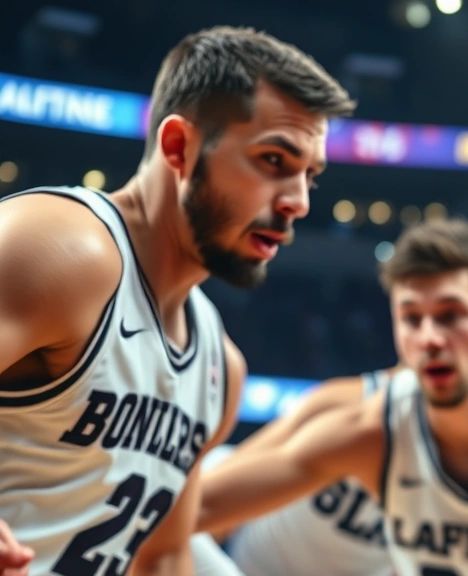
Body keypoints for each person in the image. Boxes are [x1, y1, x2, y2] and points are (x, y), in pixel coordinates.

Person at [0, 26, 354, 576]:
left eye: (310, 175)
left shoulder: (219, 367)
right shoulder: (62, 249)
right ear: (178, 147)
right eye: (274, 161)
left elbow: (161, 557)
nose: (298, 202)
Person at [195, 218, 468, 576]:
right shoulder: (368, 422)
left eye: (450, 315)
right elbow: (198, 507)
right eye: (411, 318)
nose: (429, 338)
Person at [189, 367, 400, 576]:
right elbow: (208, 504)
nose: (431, 341)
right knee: (194, 488)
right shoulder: (346, 407)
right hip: (243, 560)